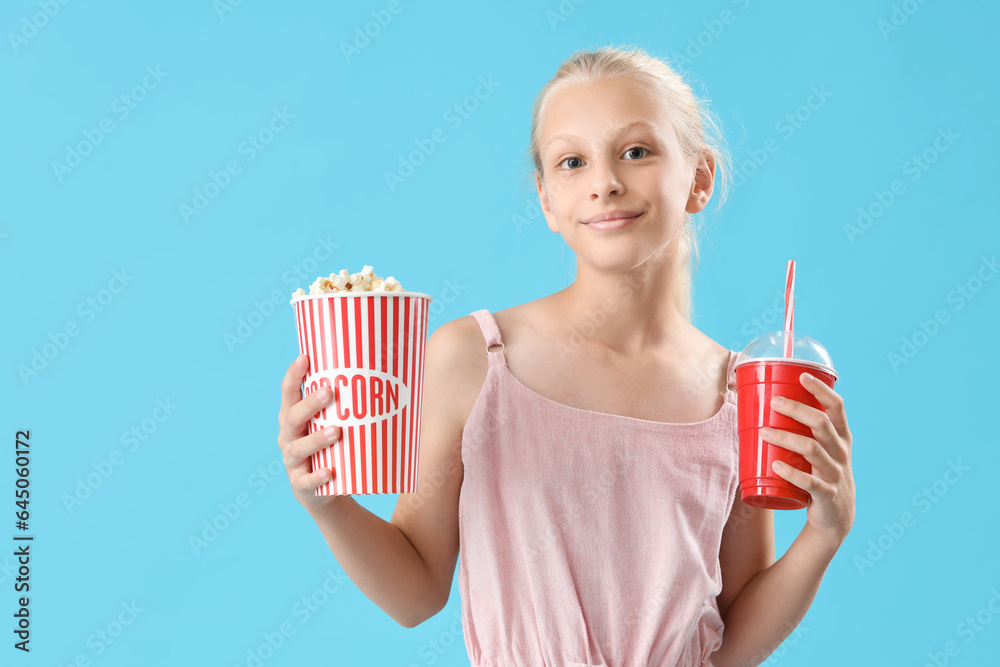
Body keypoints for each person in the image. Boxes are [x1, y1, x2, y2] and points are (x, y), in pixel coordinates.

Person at [276, 44, 855, 667]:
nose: (605, 182)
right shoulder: (473, 361)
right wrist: (327, 504)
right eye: (572, 161)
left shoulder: (740, 393)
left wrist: (825, 533)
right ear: (548, 198)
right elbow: (416, 594)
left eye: (636, 151)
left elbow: (733, 644)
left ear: (699, 178)